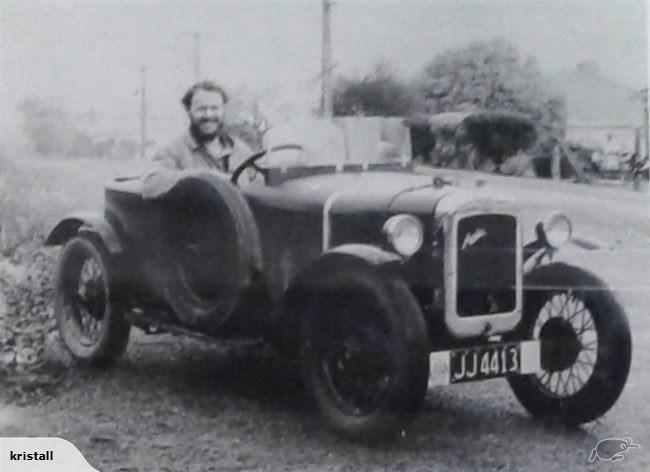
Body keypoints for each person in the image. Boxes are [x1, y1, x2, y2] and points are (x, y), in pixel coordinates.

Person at [142, 80, 251, 198]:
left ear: (223, 110)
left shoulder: (242, 151)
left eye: (214, 108)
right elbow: (150, 185)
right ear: (189, 112)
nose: (208, 115)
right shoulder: (172, 151)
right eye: (201, 109)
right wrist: (203, 177)